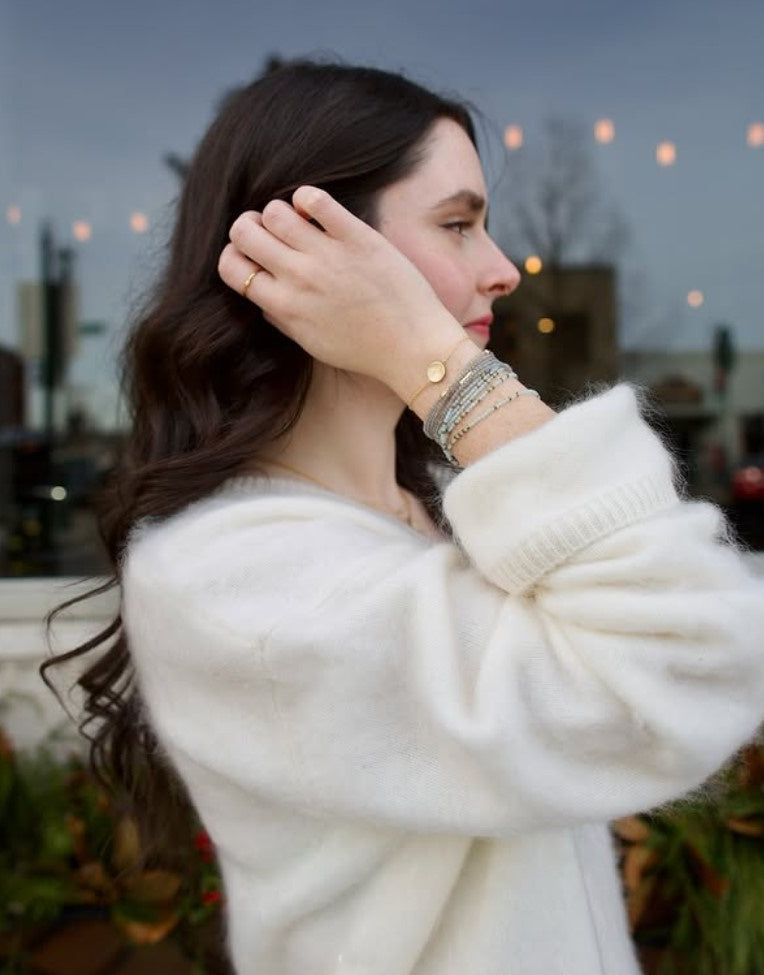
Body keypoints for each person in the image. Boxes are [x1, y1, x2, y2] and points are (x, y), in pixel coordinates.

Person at [47, 59, 764, 975]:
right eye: (458, 224)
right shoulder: (236, 582)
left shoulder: (437, 514)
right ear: (311, 245)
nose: (502, 271)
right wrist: (441, 368)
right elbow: (695, 665)